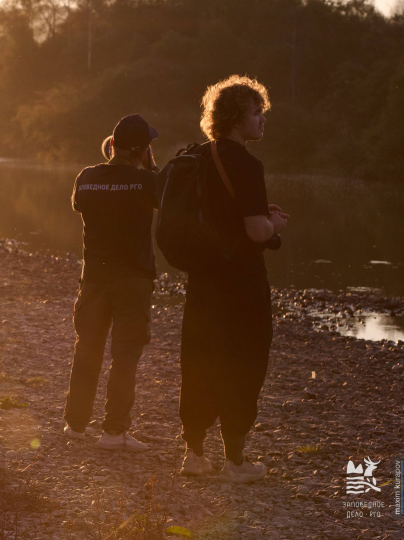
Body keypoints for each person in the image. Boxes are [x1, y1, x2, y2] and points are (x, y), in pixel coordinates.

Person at [178, 75, 289, 482]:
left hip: (202, 281)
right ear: (236, 117)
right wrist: (274, 225)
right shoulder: (246, 162)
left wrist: (259, 216)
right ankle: (236, 463)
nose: (263, 119)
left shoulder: (196, 157)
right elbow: (256, 232)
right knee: (242, 361)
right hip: (240, 285)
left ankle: (193, 455)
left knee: (199, 359)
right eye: (257, 112)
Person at [62, 114, 161, 453]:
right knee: (125, 355)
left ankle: (75, 425)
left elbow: (78, 205)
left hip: (94, 279)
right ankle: (114, 432)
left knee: (87, 348)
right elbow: (165, 195)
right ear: (143, 150)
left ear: (112, 144)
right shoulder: (147, 182)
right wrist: (147, 168)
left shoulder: (87, 178)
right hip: (132, 280)